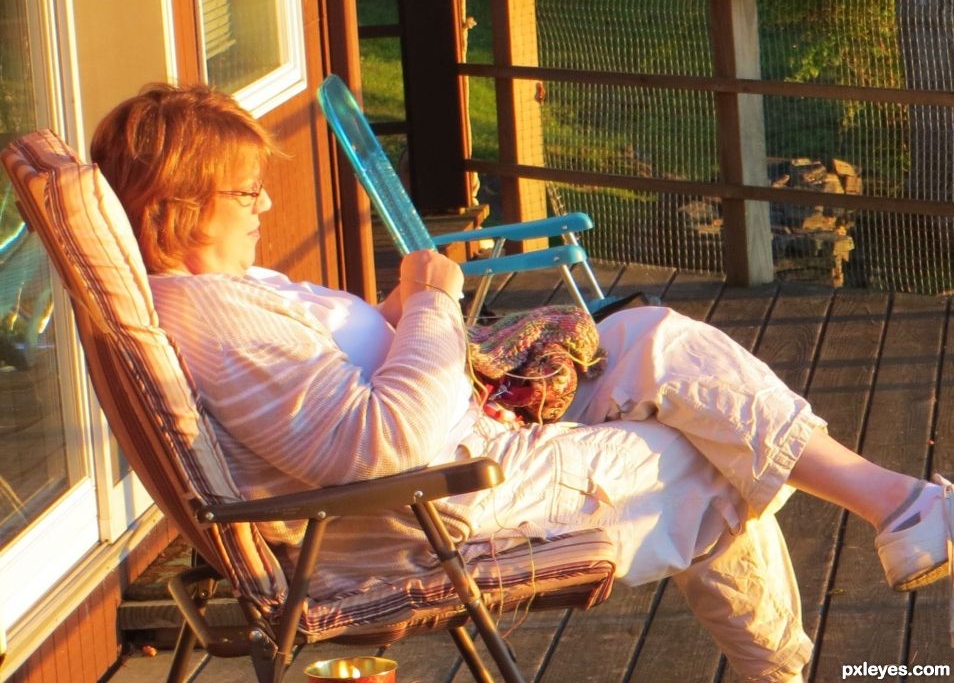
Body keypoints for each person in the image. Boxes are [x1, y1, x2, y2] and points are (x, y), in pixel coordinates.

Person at [90, 82, 952, 683]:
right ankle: (871, 551)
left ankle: (896, 505)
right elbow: (376, 445)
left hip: (461, 439)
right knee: (713, 450)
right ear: (186, 203)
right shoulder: (212, 317)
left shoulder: (218, 298)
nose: (264, 207)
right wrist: (430, 303)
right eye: (247, 192)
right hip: (444, 501)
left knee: (653, 336)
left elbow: (335, 404)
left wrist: (391, 315)